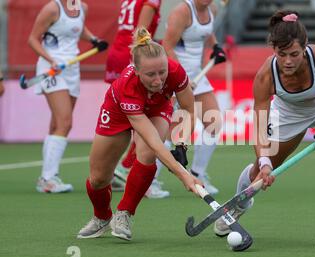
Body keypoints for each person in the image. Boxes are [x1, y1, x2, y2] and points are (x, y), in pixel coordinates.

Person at [214, 11, 315, 247]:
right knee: (258, 174)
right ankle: (238, 205)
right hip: (288, 115)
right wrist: (264, 162)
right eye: (281, 54)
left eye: (294, 54)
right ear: (273, 49)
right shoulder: (266, 75)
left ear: (305, 48)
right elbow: (260, 126)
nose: (287, 61)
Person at [77, 28, 201, 241]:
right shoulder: (128, 86)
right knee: (98, 179)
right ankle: (102, 217)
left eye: (162, 72)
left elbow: (189, 110)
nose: (158, 80)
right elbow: (153, 140)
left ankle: (125, 212)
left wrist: (181, 144)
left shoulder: (176, 72)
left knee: (146, 155)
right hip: (118, 111)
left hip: (157, 108)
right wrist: (183, 175)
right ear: (136, 71)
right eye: (150, 74)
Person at [28, 0, 106, 193]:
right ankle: (48, 178)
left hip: (72, 69)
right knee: (65, 122)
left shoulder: (83, 7)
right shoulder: (52, 8)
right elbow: (32, 39)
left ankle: (46, 178)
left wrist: (93, 39)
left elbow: (76, 29)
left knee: (57, 124)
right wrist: (51, 60)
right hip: (52, 70)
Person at [105, 0, 170, 199]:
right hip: (133, 54)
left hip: (118, 50)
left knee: (129, 114)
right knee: (147, 117)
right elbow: (140, 30)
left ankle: (121, 167)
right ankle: (131, 169)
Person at [162, 0, 227, 195]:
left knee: (213, 122)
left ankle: (198, 173)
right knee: (168, 132)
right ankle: (149, 181)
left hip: (197, 75)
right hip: (175, 74)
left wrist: (215, 45)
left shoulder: (211, 9)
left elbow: (206, 32)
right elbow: (167, 46)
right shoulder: (182, 12)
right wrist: (182, 77)